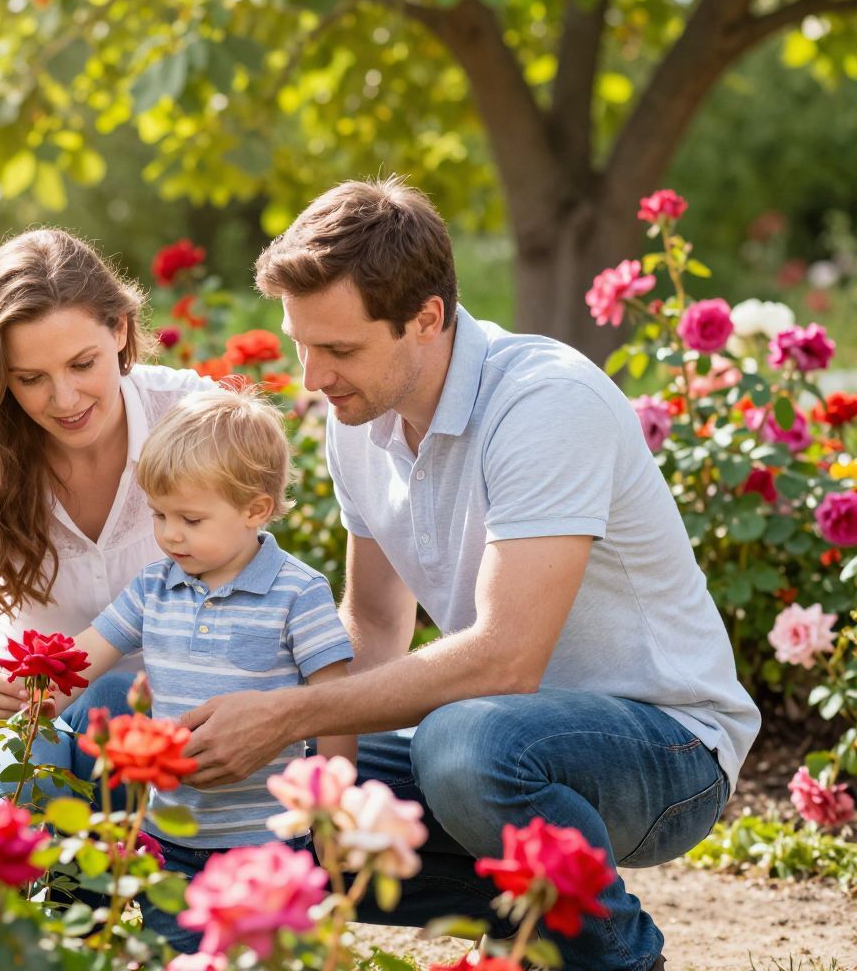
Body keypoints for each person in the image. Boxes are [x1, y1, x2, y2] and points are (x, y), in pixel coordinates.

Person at [177, 177, 761, 970]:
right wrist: (313, 773)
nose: (312, 377)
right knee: (262, 786)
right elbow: (373, 625)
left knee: (465, 744)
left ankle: (617, 956)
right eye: (301, 344)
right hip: (502, 746)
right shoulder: (359, 420)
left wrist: (286, 714)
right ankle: (529, 917)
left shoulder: (545, 402)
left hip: (669, 749)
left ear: (427, 318)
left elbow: (506, 659)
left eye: (340, 350)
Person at [54, 388, 355, 952]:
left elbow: (336, 704)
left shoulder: (298, 592)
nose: (170, 534)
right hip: (170, 834)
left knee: (266, 958)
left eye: (190, 519)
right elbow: (86, 654)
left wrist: (331, 812)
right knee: (180, 957)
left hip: (267, 839)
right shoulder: (154, 586)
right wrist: (31, 692)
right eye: (159, 515)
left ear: (254, 510)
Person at [0, 228, 207, 799]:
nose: (65, 399)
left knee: (119, 711)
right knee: (30, 772)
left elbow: (250, 604)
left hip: (173, 710)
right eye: (30, 379)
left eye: (82, 364)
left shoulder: (191, 419)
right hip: (23, 712)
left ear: (119, 329)